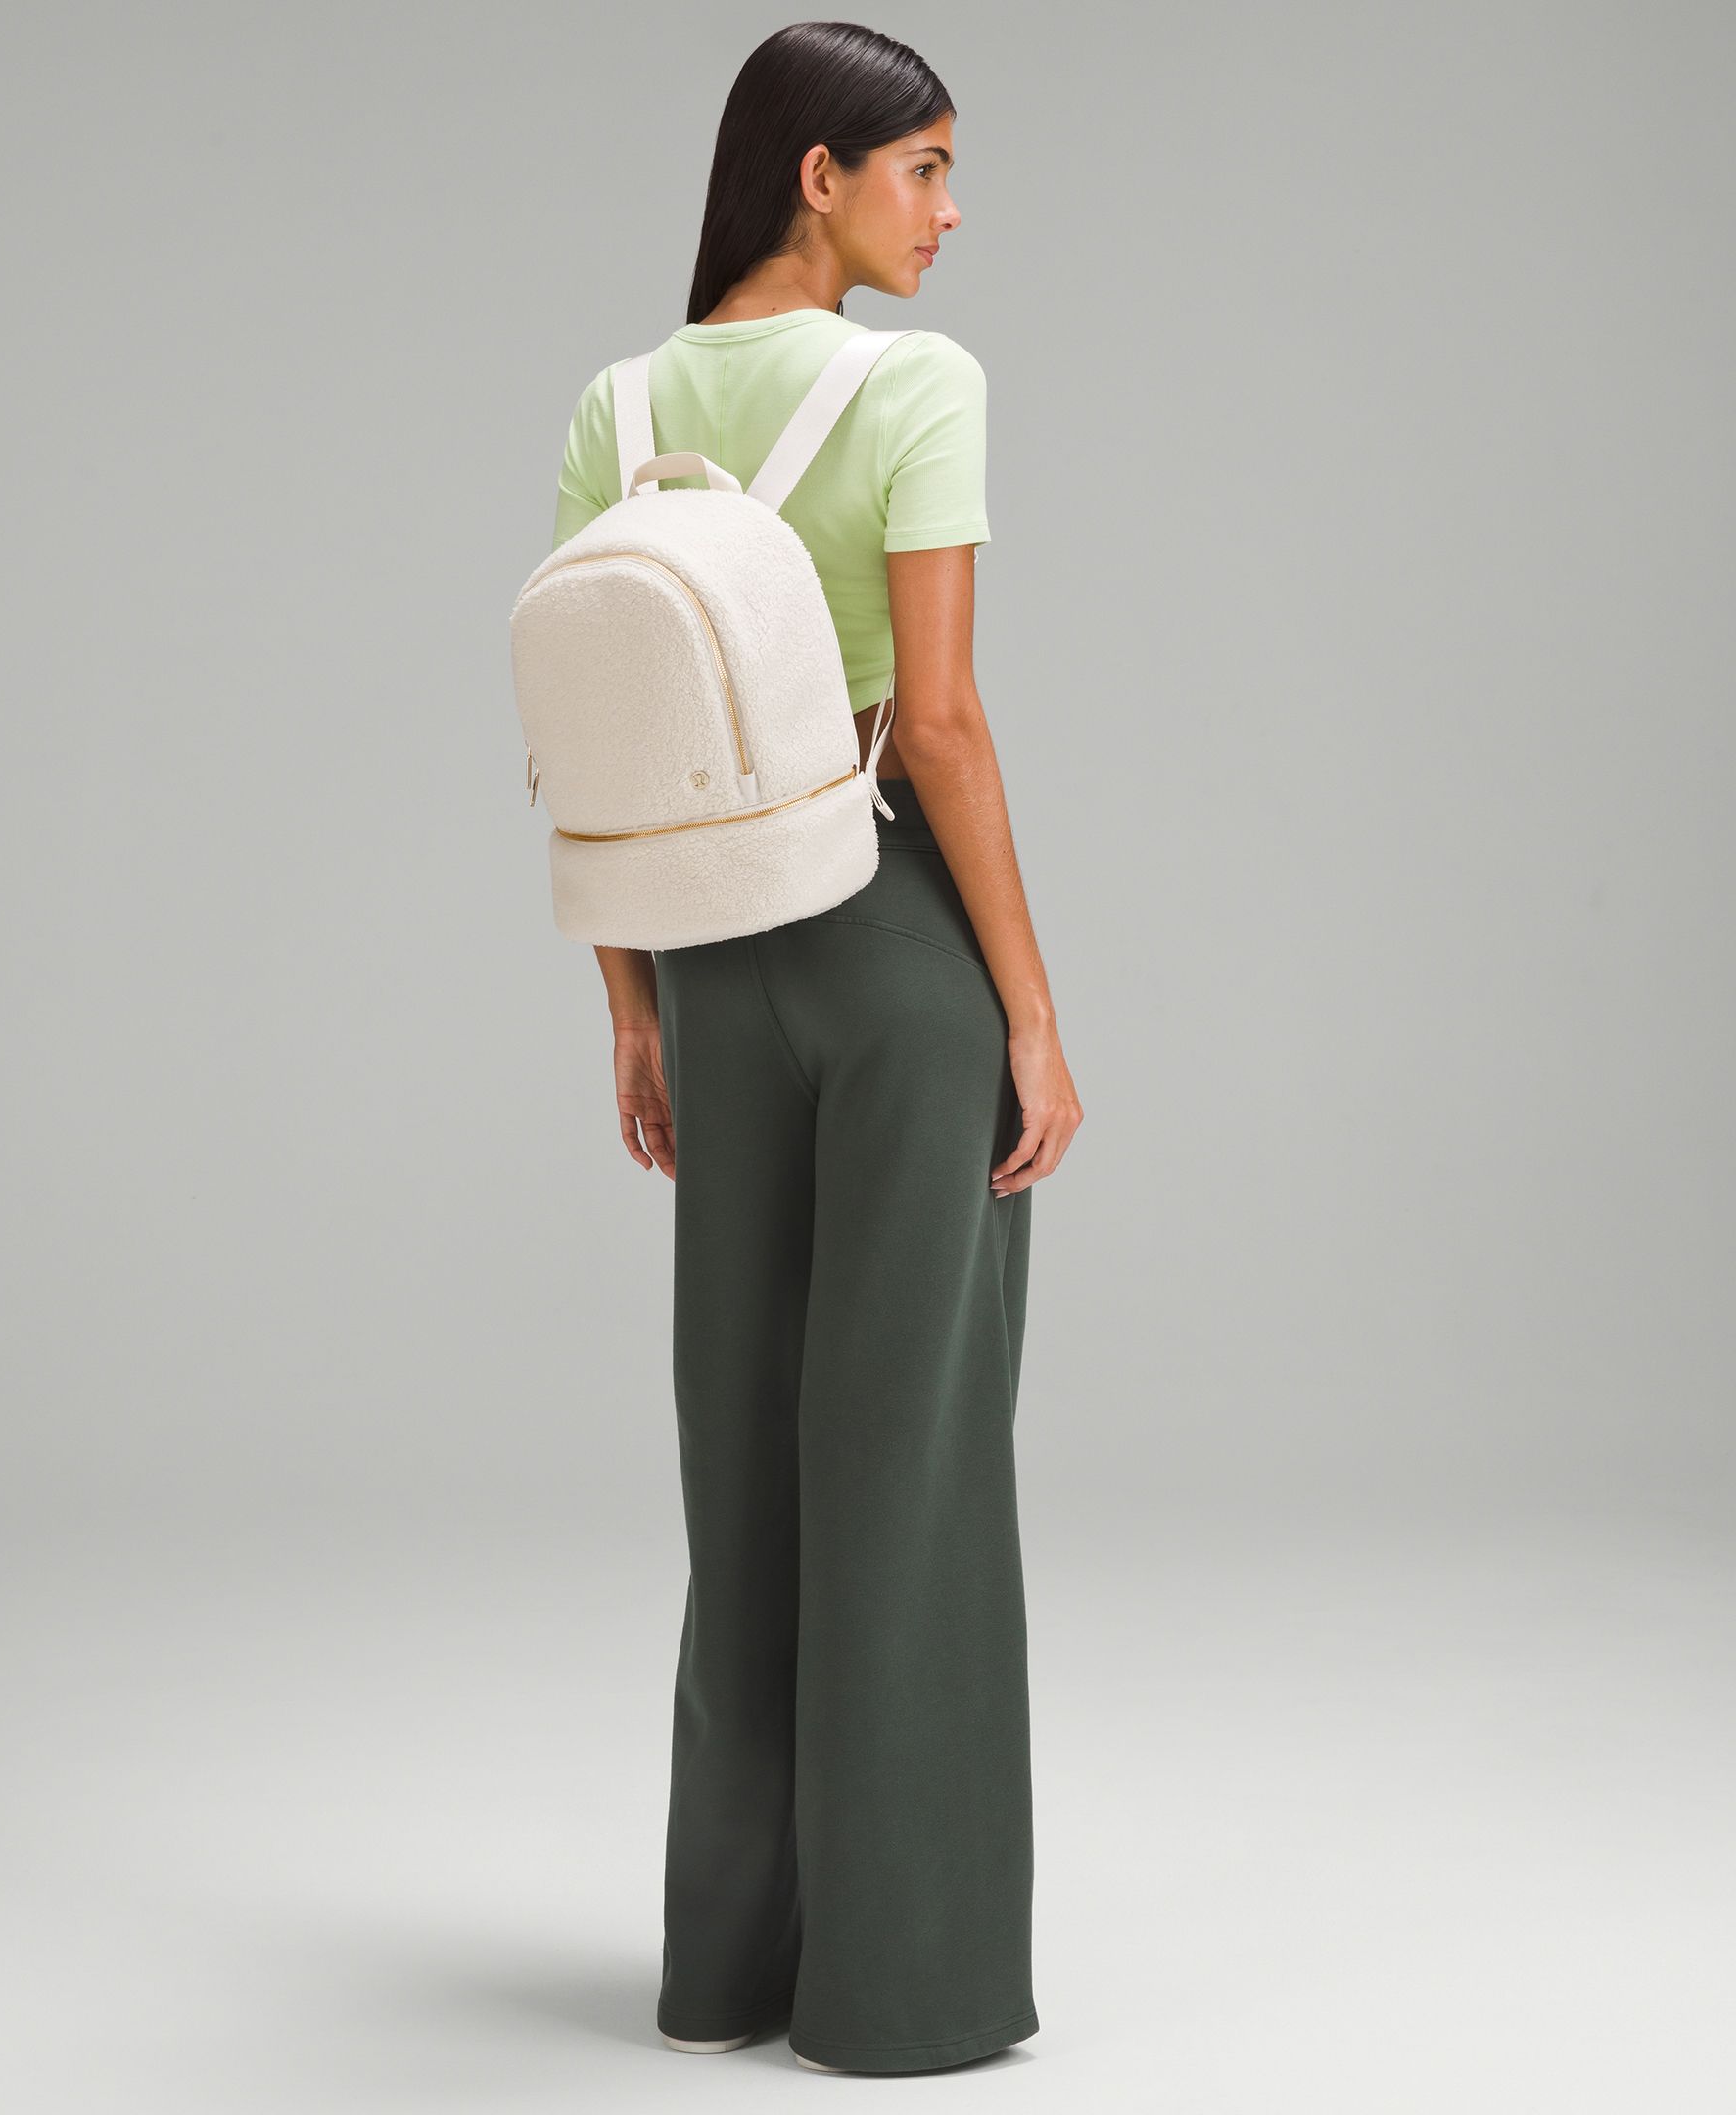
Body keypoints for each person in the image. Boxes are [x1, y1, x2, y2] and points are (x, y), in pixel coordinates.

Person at [548, 20, 1083, 2078]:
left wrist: (630, 1012)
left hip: (700, 958)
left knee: (745, 1458)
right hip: (886, 946)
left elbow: (593, 750)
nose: (949, 212)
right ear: (818, 175)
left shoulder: (614, 406)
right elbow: (935, 724)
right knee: (906, 1473)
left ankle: (725, 1974)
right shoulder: (915, 387)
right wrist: (1030, 1013)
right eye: (925, 167)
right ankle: (899, 1994)